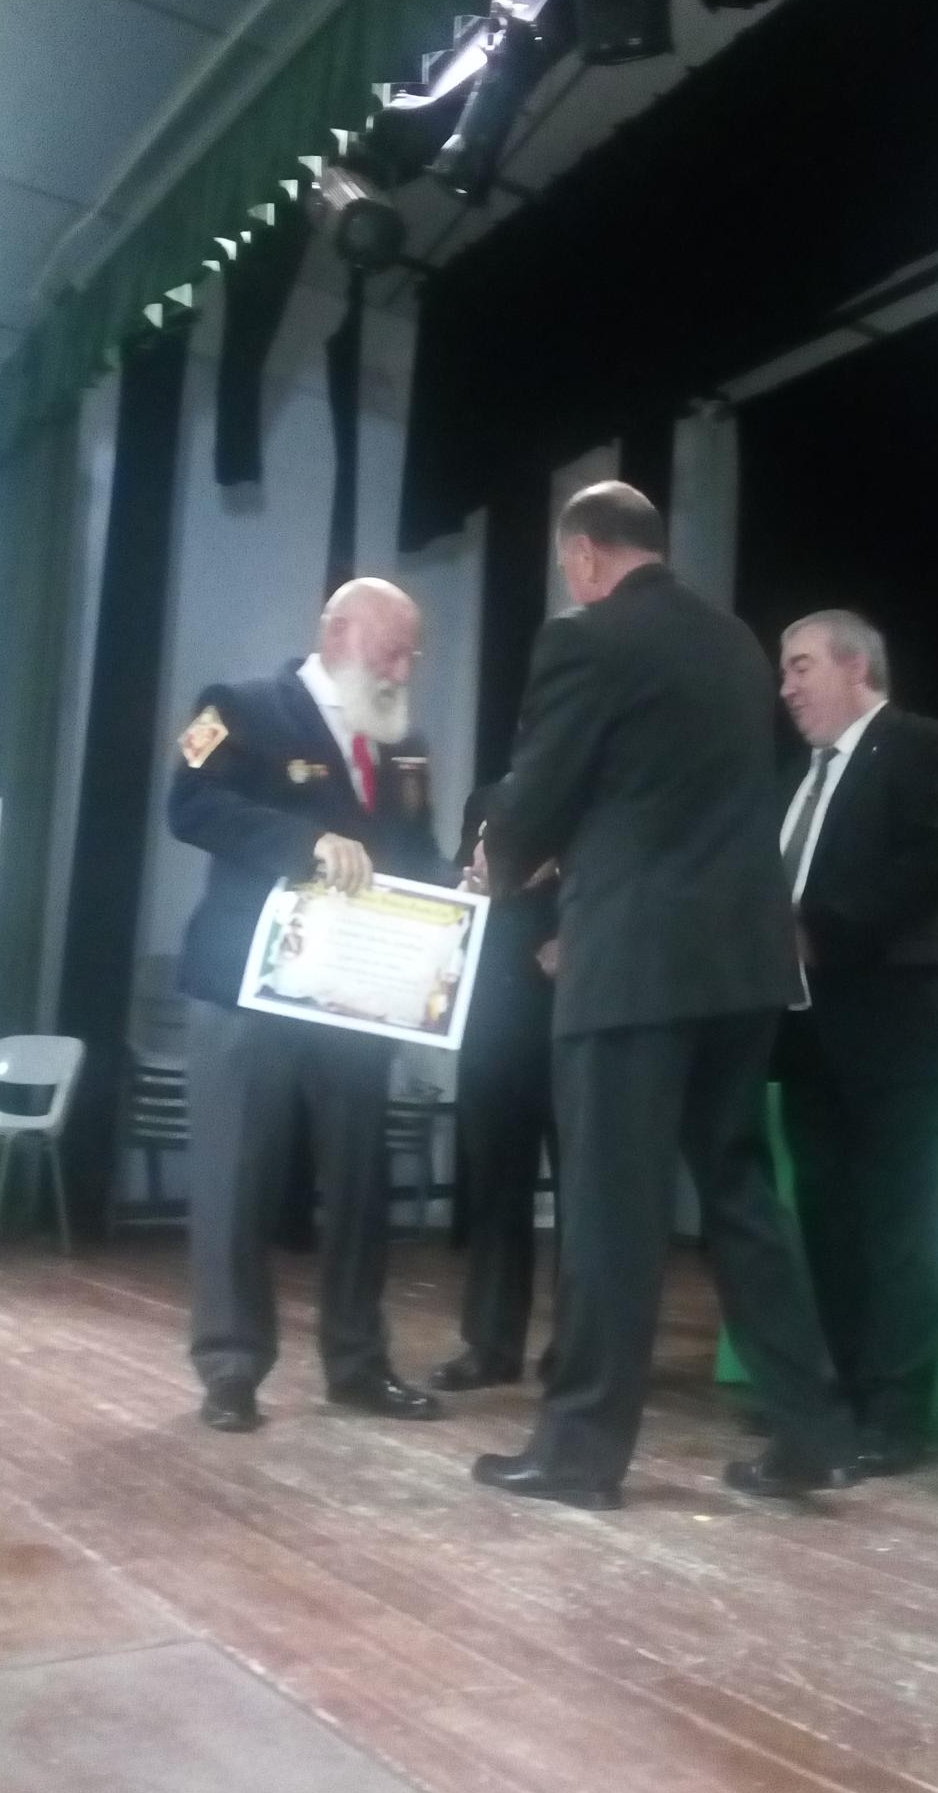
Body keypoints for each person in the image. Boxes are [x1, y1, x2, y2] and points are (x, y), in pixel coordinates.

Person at [470, 482, 858, 1510]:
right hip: (740, 964)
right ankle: (811, 1430)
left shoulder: (584, 638)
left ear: (586, 555)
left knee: (609, 1207)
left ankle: (577, 1454)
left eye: (571, 566)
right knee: (740, 1197)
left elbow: (544, 783)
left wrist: (500, 857)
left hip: (633, 961)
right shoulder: (735, 645)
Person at [169, 577, 447, 1432]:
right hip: (244, 989)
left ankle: (359, 1363)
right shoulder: (237, 706)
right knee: (235, 1180)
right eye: (390, 651)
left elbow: (416, 855)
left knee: (361, 1183)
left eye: (411, 656)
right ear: (336, 632)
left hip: (356, 997)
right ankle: (230, 1368)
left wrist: (459, 893)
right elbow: (191, 804)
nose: (402, 671)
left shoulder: (406, 748)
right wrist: (306, 841)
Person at [774, 611, 938, 1476]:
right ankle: (841, 1401)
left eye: (800, 666)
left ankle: (894, 1419)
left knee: (901, 1232)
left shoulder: (930, 746)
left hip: (899, 1033)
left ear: (855, 664)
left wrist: (817, 929)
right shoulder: (797, 778)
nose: (785, 688)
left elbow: (937, 861)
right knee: (828, 1225)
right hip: (806, 1036)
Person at [431, 785, 558, 1394]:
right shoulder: (488, 799)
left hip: (574, 1008)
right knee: (494, 1185)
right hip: (491, 1011)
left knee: (585, 1191)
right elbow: (466, 877)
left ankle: (581, 1347)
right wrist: (469, 882)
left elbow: (626, 883)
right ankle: (490, 1344)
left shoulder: (598, 794)